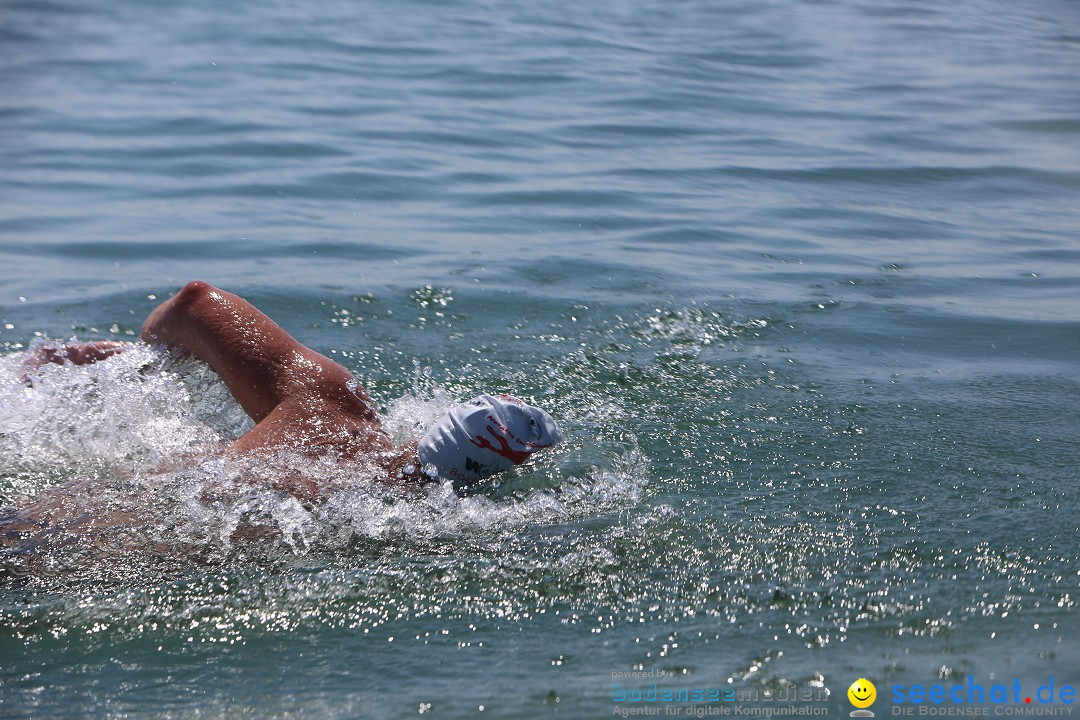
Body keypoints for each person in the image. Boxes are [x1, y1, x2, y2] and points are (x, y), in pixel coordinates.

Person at [18, 281, 564, 498]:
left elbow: (195, 303)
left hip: (64, 509)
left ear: (439, 422)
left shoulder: (330, 402)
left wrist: (148, 363)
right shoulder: (392, 530)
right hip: (91, 557)